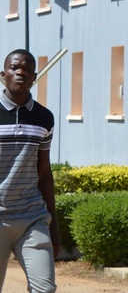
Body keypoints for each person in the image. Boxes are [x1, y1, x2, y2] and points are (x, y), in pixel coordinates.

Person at [0, 49, 59, 293]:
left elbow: (44, 172)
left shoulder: (44, 118)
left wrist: (54, 229)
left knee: (44, 289)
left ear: (34, 76)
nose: (20, 72)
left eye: (27, 68)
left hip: (32, 218)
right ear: (3, 74)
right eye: (15, 68)